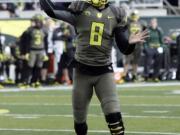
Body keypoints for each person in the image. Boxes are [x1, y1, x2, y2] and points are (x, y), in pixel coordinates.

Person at [40, 0, 148, 134]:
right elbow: (50, 9)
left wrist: (130, 43)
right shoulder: (79, 8)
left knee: (114, 115)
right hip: (82, 72)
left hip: (104, 71)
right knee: (79, 119)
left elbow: (125, 49)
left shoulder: (116, 13)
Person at [123, 10, 142, 82]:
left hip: (138, 44)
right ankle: (124, 76)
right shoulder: (128, 23)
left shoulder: (141, 24)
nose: (134, 17)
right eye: (133, 15)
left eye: (135, 15)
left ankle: (134, 75)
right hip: (130, 44)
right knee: (127, 61)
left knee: (136, 61)